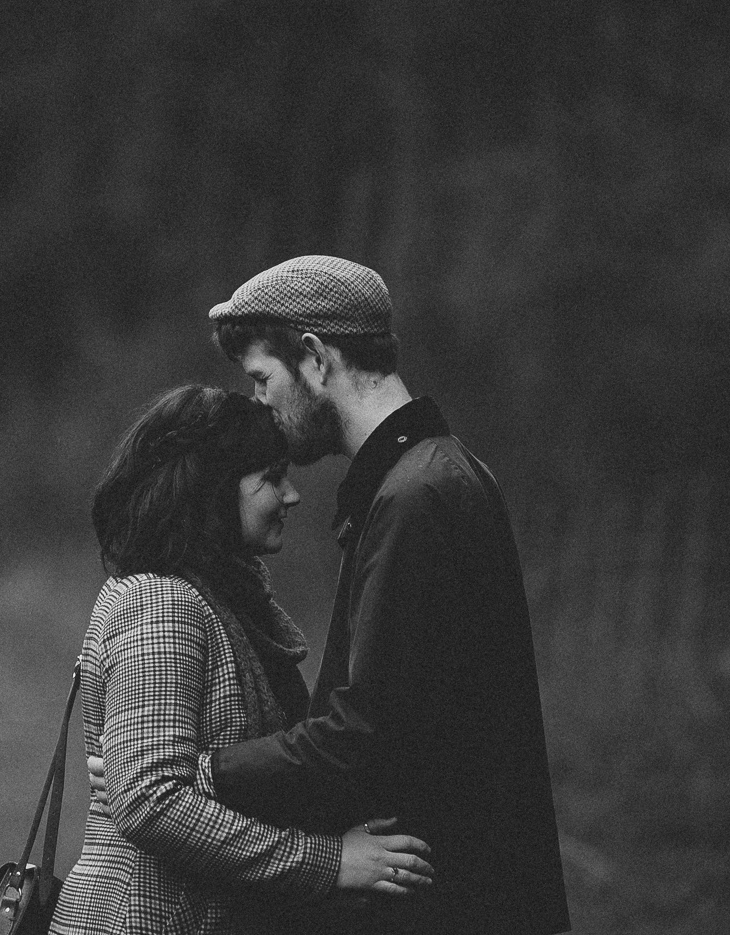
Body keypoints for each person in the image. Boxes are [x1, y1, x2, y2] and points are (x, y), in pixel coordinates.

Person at [200, 255, 570, 934]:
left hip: (446, 901)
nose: (259, 404)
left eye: (262, 379)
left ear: (313, 358)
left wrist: (201, 772)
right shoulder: (425, 476)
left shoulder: (415, 496)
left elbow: (362, 735)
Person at [49, 383, 435, 935]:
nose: (293, 495)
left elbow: (168, 784)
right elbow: (150, 801)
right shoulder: (160, 603)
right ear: (211, 490)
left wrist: (202, 778)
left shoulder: (218, 599)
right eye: (272, 478)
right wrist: (332, 862)